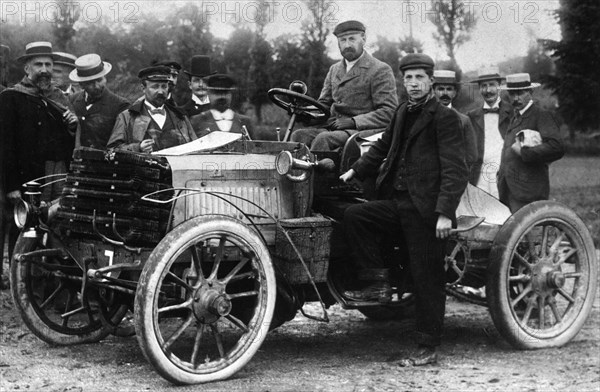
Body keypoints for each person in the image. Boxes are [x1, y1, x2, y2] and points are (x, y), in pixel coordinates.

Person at [339, 53, 468, 366]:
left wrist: (443, 214)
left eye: (419, 78)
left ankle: (428, 346)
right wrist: (355, 171)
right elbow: (383, 146)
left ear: (431, 81)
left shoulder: (444, 118)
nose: (413, 84)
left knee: (427, 278)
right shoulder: (401, 112)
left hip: (425, 210)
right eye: (408, 78)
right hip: (398, 202)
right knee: (355, 215)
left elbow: (455, 170)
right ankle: (377, 283)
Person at [0, 41, 78, 264]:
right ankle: (23, 274)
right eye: (38, 64)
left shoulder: (60, 98)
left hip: (58, 173)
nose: (44, 70)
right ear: (27, 68)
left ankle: (53, 275)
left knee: (58, 223)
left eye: (48, 64)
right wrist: (12, 185)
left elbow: (67, 143)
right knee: (27, 225)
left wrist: (72, 127)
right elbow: (6, 145)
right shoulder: (10, 98)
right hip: (30, 177)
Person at [291, 20, 397, 151]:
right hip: (335, 129)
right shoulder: (334, 70)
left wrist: (354, 121)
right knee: (299, 136)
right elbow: (324, 104)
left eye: (352, 39)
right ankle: (298, 171)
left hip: (365, 132)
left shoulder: (379, 69)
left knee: (323, 139)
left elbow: (389, 112)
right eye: (342, 40)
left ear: (363, 39)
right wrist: (305, 113)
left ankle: (322, 172)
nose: (347, 45)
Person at [497, 73, 564, 212]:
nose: (516, 98)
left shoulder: (541, 115)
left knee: (531, 232)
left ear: (530, 92)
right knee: (513, 233)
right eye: (512, 93)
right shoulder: (515, 117)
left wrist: (524, 152)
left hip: (528, 193)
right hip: (508, 191)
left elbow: (556, 147)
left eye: (520, 93)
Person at [107, 65, 196, 152]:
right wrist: (138, 147)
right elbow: (112, 150)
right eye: (155, 87)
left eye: (164, 86)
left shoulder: (180, 117)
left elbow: (196, 147)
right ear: (143, 88)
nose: (161, 92)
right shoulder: (127, 117)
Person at [466, 66, 512, 197]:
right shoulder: (471, 116)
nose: (488, 90)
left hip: (505, 174)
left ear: (500, 86)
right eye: (483, 86)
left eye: (492, 85)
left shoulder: (512, 113)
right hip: (479, 176)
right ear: (479, 89)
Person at [69, 53, 130, 149]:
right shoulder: (71, 101)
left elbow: (121, 144)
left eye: (99, 80)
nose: (97, 86)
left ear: (105, 77)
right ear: (81, 85)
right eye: (90, 83)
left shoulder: (121, 106)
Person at [432, 70, 478, 174]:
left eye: (449, 89)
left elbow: (472, 155)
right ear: (434, 91)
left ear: (454, 93)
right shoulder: (425, 117)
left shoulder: (464, 120)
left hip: (453, 178)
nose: (444, 93)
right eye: (440, 89)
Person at [190, 73, 255, 139]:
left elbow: (254, 147)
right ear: (208, 93)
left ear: (231, 94)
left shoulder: (245, 122)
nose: (221, 97)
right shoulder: (197, 121)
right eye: (216, 93)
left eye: (225, 93)